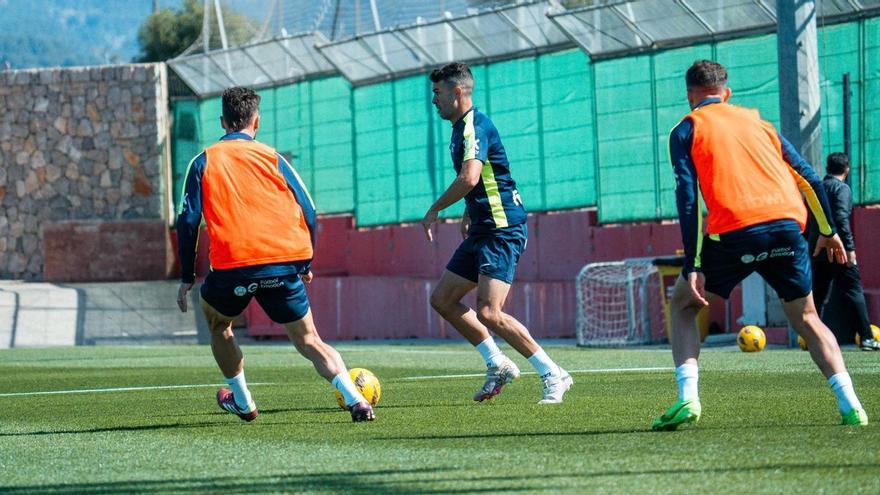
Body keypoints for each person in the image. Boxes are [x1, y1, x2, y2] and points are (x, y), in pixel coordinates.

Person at [656, 60, 868, 430]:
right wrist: (827, 229)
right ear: (727, 93)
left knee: (683, 304)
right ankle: (851, 405)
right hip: (788, 226)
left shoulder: (686, 129)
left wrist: (692, 264)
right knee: (807, 317)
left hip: (734, 231)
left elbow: (687, 198)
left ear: (690, 96)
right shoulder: (760, 123)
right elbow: (808, 177)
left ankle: (687, 398)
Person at [176, 86, 375, 423]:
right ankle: (356, 400)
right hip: (283, 263)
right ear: (257, 122)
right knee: (310, 339)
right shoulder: (273, 157)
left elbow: (188, 220)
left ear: (223, 121)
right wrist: (305, 263)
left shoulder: (204, 160)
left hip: (233, 267)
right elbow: (310, 211)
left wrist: (185, 278)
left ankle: (242, 400)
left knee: (219, 324)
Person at [421, 62, 572, 404]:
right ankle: (497, 363)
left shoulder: (474, 125)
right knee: (442, 299)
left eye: (437, 93)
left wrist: (434, 210)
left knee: (490, 312)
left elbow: (470, 178)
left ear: (457, 92)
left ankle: (553, 373)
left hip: (502, 230)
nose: (434, 100)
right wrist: (467, 212)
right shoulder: (460, 129)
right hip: (484, 227)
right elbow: (483, 177)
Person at [807, 152, 880, 351]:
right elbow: (841, 218)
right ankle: (867, 337)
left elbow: (807, 221)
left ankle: (811, 339)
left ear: (827, 167)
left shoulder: (816, 188)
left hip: (817, 250)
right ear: (847, 169)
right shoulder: (842, 189)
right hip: (838, 249)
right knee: (853, 290)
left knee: (818, 295)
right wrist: (849, 248)